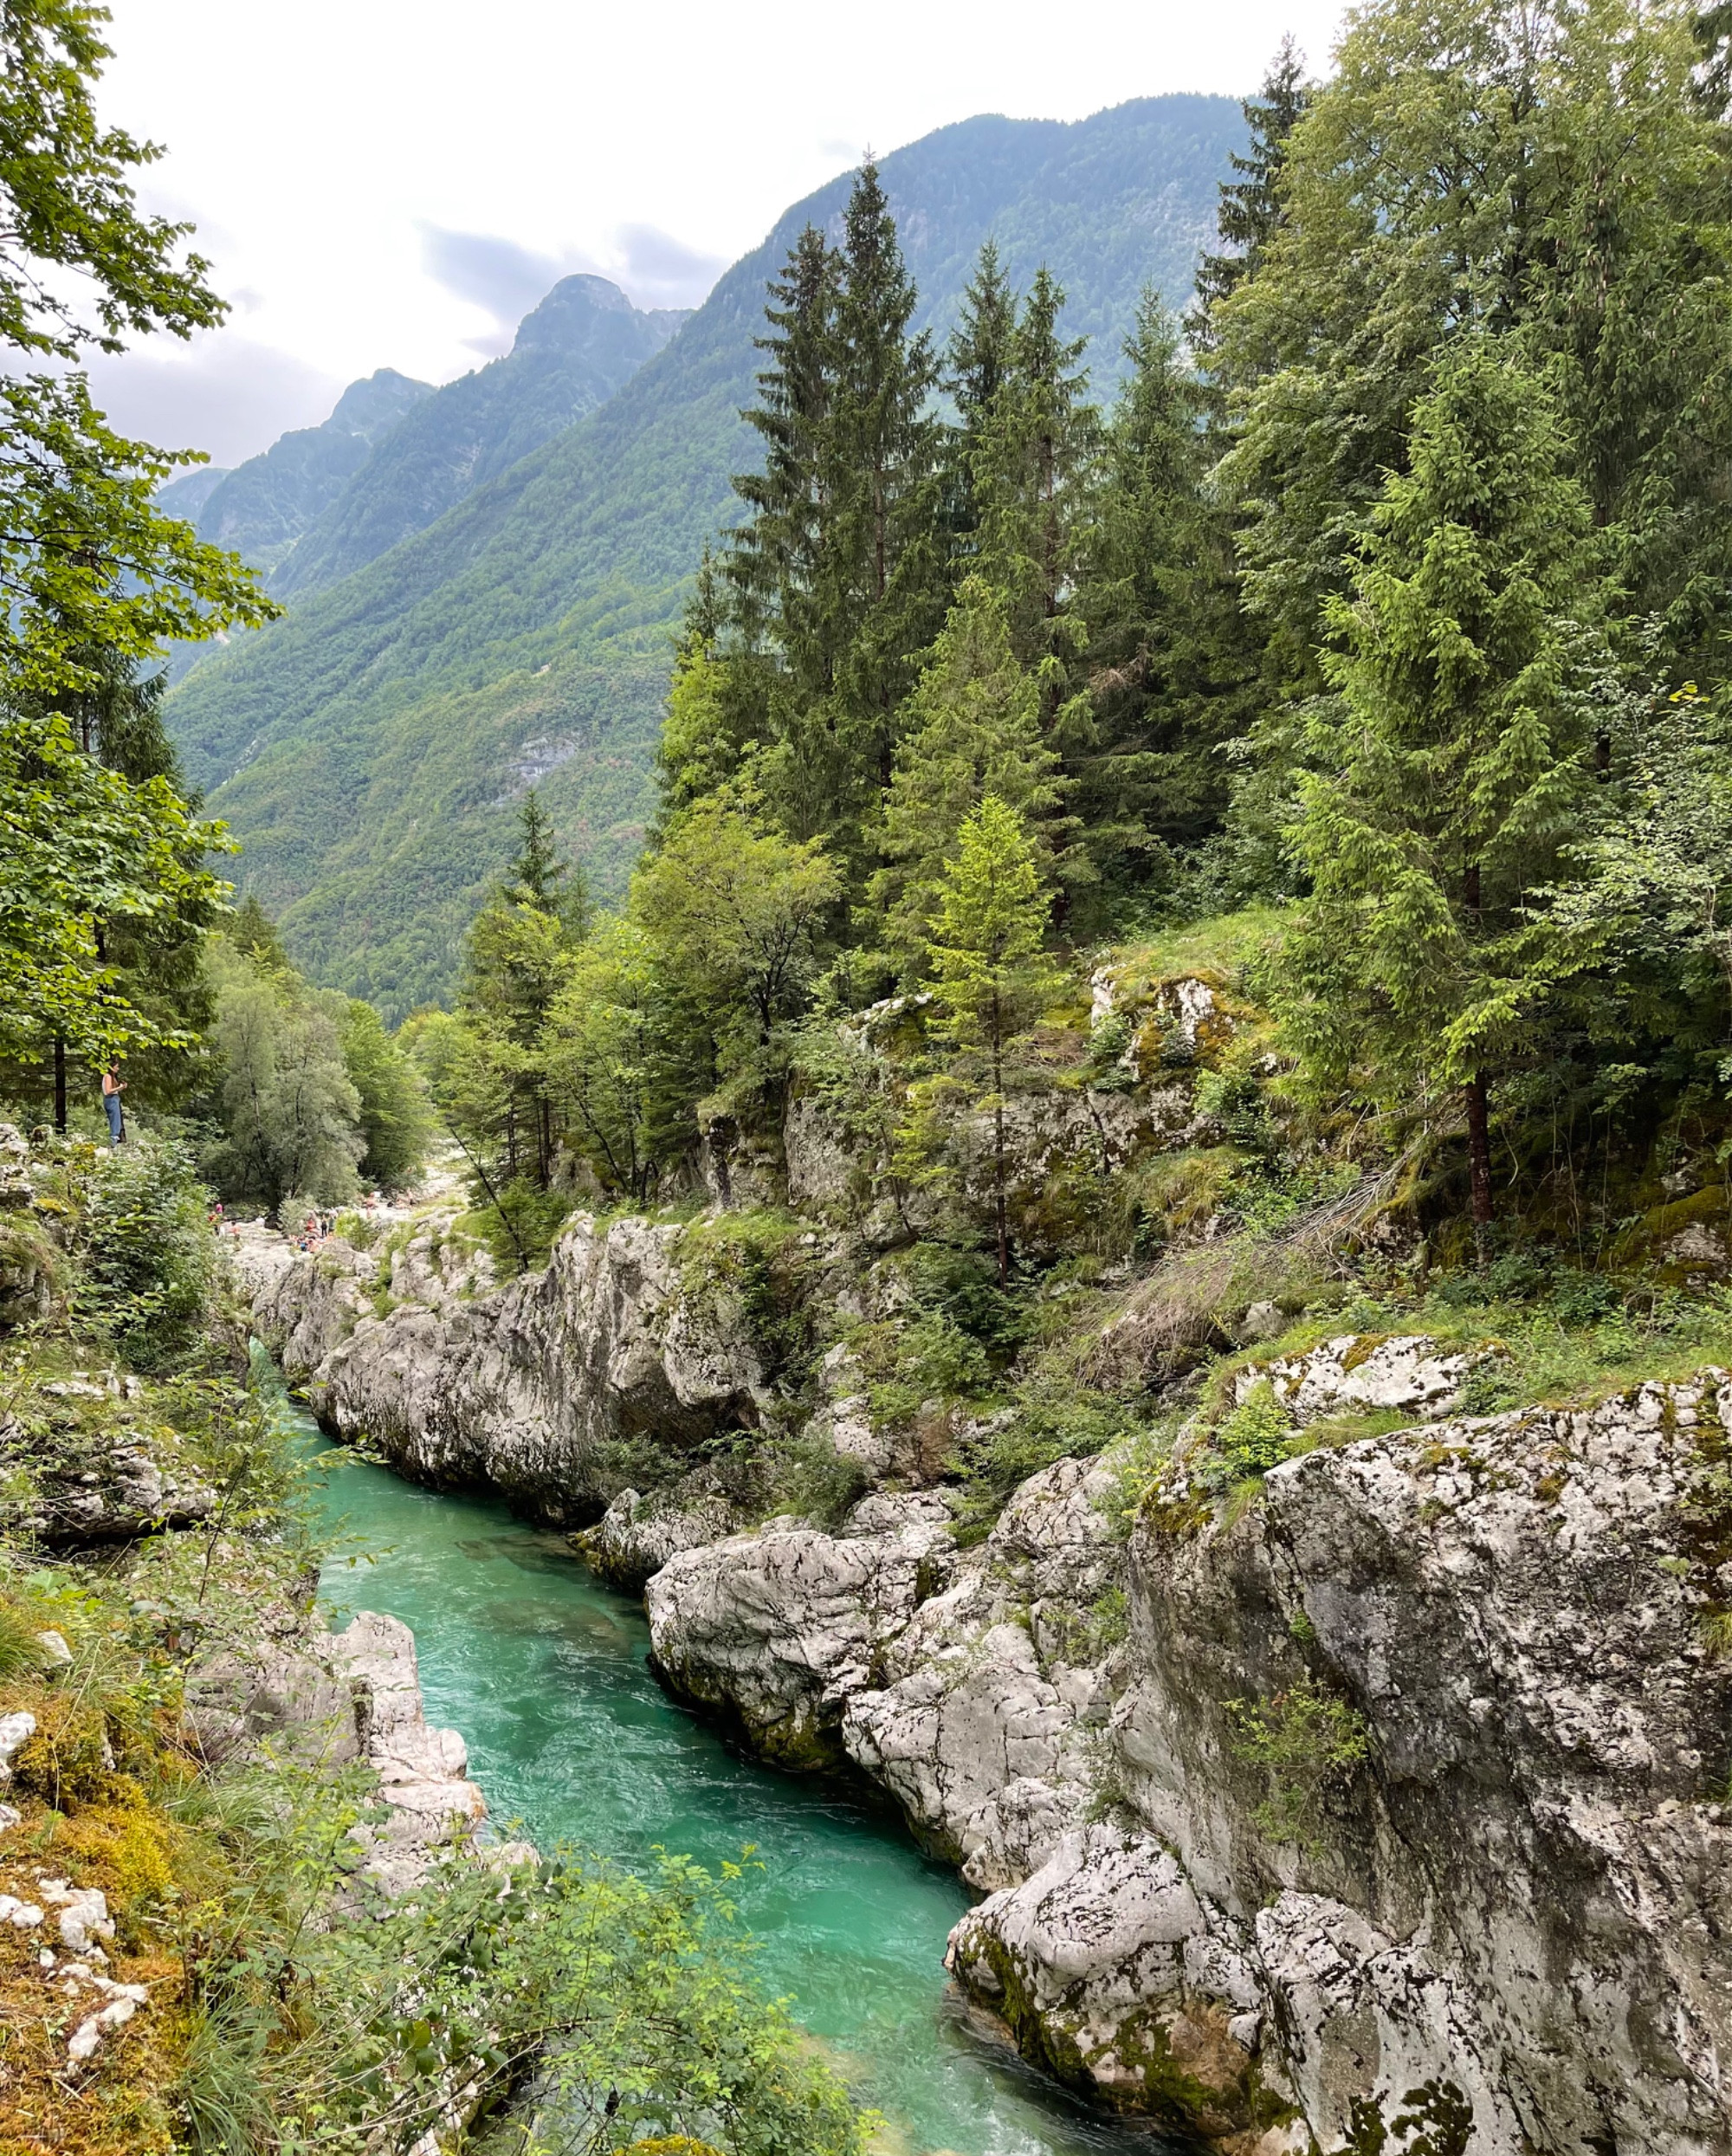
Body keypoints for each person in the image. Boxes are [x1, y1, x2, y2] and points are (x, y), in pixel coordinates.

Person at [100, 1064, 126, 1148]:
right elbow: (108, 1091)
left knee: (116, 1120)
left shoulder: (112, 1077)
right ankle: (113, 1142)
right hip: (111, 1099)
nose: (118, 1069)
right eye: (116, 1067)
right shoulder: (108, 1076)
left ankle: (114, 1140)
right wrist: (119, 1088)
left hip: (114, 1098)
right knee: (115, 1121)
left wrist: (121, 1087)